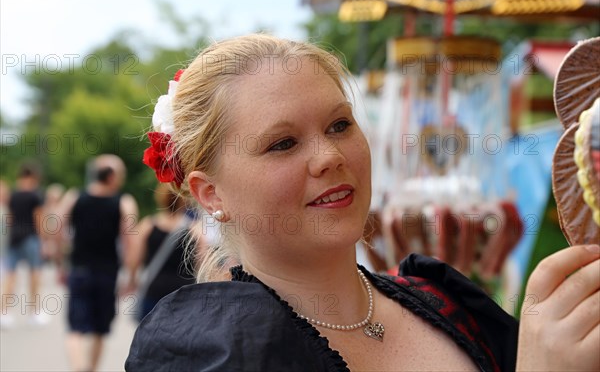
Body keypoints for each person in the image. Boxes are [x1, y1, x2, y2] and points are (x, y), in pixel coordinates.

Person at [126, 34, 599, 371]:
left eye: (339, 126)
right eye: (283, 144)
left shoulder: (445, 301)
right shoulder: (209, 352)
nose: (330, 157)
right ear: (211, 194)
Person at [57, 154, 138, 372]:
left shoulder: (74, 197)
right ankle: (88, 368)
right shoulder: (124, 202)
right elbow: (130, 242)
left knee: (76, 327)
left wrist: (60, 262)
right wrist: (131, 277)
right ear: (111, 176)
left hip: (79, 269)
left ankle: (79, 367)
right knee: (100, 328)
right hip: (107, 272)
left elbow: (56, 229)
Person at [126, 183, 198, 321]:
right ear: (183, 200)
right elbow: (201, 262)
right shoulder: (194, 230)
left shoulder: (148, 225)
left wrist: (132, 280)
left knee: (150, 333)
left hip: (154, 288)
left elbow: (134, 258)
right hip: (184, 291)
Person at [1, 163, 46, 329]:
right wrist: (43, 241)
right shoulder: (35, 195)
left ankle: (3, 313)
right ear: (33, 177)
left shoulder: (13, 195)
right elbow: (39, 219)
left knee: (10, 276)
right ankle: (34, 312)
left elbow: (10, 218)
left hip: (14, 238)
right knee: (34, 275)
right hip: (30, 237)